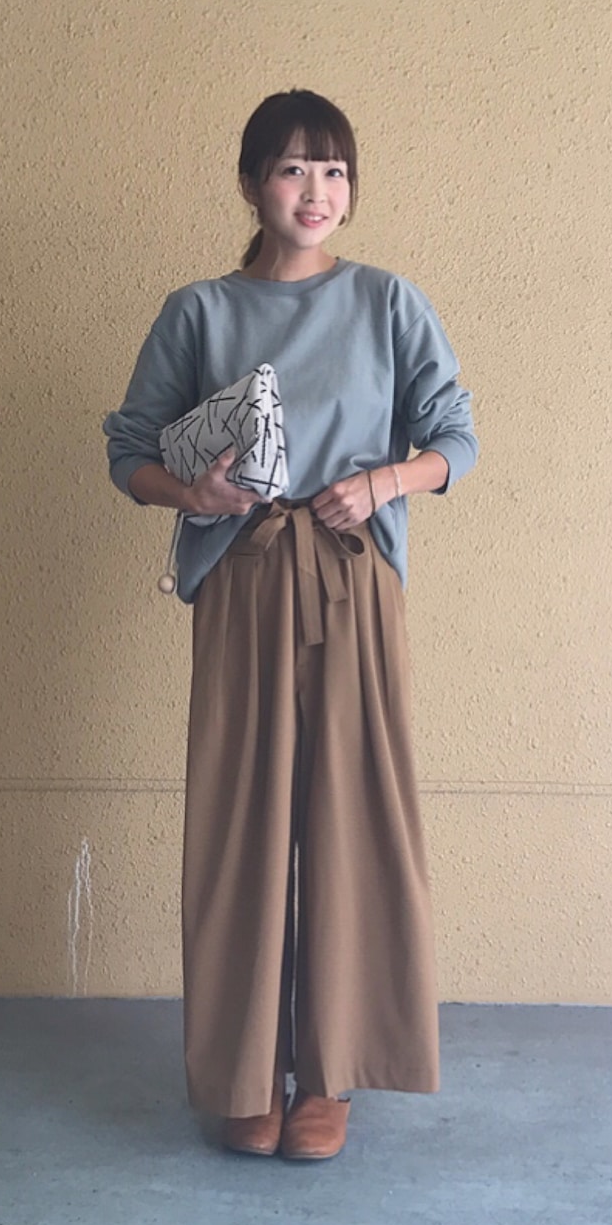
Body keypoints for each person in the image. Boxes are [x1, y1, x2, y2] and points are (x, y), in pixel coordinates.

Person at [103, 89, 478, 1161]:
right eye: (292, 169)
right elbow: (129, 448)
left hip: (354, 580)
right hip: (243, 574)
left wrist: (381, 481)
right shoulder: (199, 312)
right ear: (250, 183)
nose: (316, 192)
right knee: (242, 826)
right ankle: (244, 1075)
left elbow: (455, 437)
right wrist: (193, 495)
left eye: (334, 171)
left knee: (354, 820)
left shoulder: (387, 302)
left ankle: (331, 1075)